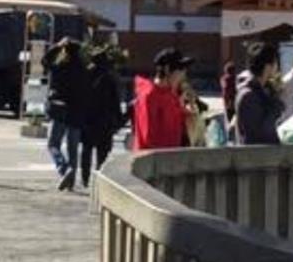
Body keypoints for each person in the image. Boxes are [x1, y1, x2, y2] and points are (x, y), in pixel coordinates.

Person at [45, 39, 88, 190]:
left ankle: (63, 168)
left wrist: (57, 46)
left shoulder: (60, 66)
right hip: (77, 111)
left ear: (65, 51)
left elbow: (45, 60)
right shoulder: (83, 70)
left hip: (60, 109)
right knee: (73, 148)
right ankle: (70, 179)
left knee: (53, 144)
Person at [78, 46, 124, 184]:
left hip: (87, 119)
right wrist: (119, 119)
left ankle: (85, 177)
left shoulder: (85, 75)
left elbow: (79, 98)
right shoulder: (109, 77)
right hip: (105, 120)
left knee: (86, 150)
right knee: (102, 153)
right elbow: (115, 101)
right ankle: (99, 178)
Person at [131, 50, 191, 151]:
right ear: (167, 70)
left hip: (171, 157)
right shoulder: (150, 96)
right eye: (180, 70)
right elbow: (149, 137)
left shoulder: (171, 93)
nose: (183, 76)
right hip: (154, 161)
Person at [233, 46, 284, 145]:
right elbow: (257, 132)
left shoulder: (264, 90)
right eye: (276, 63)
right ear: (268, 66)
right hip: (255, 156)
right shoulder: (249, 95)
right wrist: (275, 107)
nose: (277, 67)